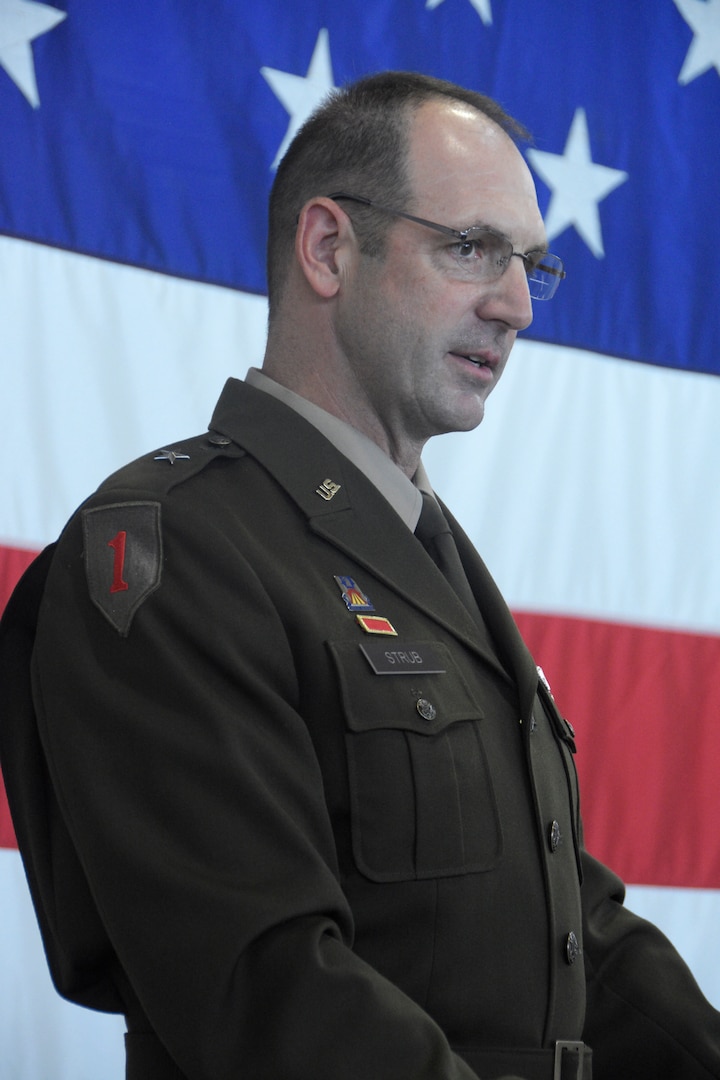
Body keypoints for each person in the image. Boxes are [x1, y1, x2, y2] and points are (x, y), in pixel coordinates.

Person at [1, 71, 718, 1080]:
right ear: (330, 247)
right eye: (470, 247)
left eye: (527, 264)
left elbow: (567, 928)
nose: (516, 303)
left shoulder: (420, 557)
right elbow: (267, 997)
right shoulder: (175, 552)